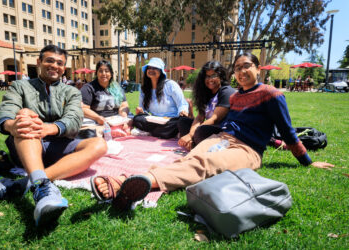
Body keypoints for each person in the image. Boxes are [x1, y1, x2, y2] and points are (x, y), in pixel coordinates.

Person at [90, 52, 333, 211]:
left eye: (246, 66)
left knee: (205, 165)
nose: (241, 71)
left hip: (247, 150)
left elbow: (288, 132)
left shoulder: (272, 94)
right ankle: (135, 180)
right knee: (192, 157)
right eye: (237, 68)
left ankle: (135, 183)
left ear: (258, 68)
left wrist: (307, 162)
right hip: (223, 138)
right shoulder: (237, 96)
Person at [0, 45, 107, 227]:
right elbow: (5, 110)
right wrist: (12, 125)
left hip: (58, 145)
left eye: (59, 63)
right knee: (25, 117)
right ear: (39, 62)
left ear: (64, 67)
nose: (54, 65)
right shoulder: (20, 86)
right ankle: (43, 191)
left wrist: (50, 128)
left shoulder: (71, 91)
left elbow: (74, 118)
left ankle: (19, 184)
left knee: (99, 144)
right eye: (49, 61)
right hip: (25, 144)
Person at [177, 61, 236, 151]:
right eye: (207, 76)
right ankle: (194, 144)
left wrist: (191, 134)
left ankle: (194, 143)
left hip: (221, 131)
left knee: (201, 131)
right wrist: (191, 133)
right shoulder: (205, 93)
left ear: (221, 76)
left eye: (213, 75)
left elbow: (214, 119)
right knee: (183, 121)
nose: (210, 79)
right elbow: (200, 118)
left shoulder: (226, 92)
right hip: (207, 128)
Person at [132, 57, 189, 139]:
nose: (151, 70)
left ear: (161, 71)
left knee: (181, 122)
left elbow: (182, 103)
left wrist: (182, 111)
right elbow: (144, 111)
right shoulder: (144, 88)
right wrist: (141, 111)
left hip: (171, 121)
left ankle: (154, 131)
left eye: (155, 68)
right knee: (137, 119)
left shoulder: (170, 85)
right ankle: (165, 133)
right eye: (149, 68)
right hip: (154, 120)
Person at [80, 60, 131, 134]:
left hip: (115, 118)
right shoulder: (88, 88)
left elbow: (124, 105)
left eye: (106, 71)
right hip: (95, 120)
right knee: (85, 126)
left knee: (133, 119)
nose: (104, 74)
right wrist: (98, 118)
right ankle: (111, 131)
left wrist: (123, 117)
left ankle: (109, 131)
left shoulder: (117, 88)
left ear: (111, 74)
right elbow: (83, 108)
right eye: (100, 71)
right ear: (96, 73)